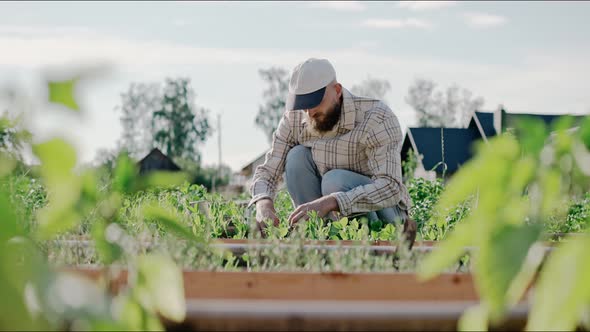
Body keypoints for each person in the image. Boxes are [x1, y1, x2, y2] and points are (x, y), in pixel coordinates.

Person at [248, 58, 416, 248]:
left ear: (337, 91)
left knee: (334, 181)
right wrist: (263, 204)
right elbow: (268, 171)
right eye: (303, 104)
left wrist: (333, 201)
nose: (310, 112)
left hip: (384, 216)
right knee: (296, 157)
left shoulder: (376, 117)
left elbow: (390, 187)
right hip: (333, 217)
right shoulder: (295, 118)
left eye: (314, 102)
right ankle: (317, 240)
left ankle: (367, 245)